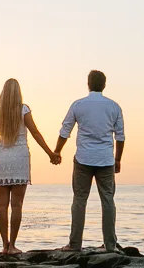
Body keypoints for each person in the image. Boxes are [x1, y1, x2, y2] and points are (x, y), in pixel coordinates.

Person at [0, 78, 59, 255]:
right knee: (17, 205)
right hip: (20, 159)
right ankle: (12, 246)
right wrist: (51, 153)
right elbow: (35, 133)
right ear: (18, 93)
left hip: (2, 159)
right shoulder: (24, 110)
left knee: (1, 205)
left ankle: (5, 245)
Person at [53, 70, 125, 253]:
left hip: (83, 159)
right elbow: (120, 137)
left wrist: (57, 151)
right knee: (108, 200)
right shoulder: (114, 106)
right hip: (106, 159)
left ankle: (74, 244)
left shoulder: (78, 105)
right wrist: (118, 159)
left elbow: (65, 131)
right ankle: (110, 245)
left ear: (88, 84)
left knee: (79, 200)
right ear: (104, 85)